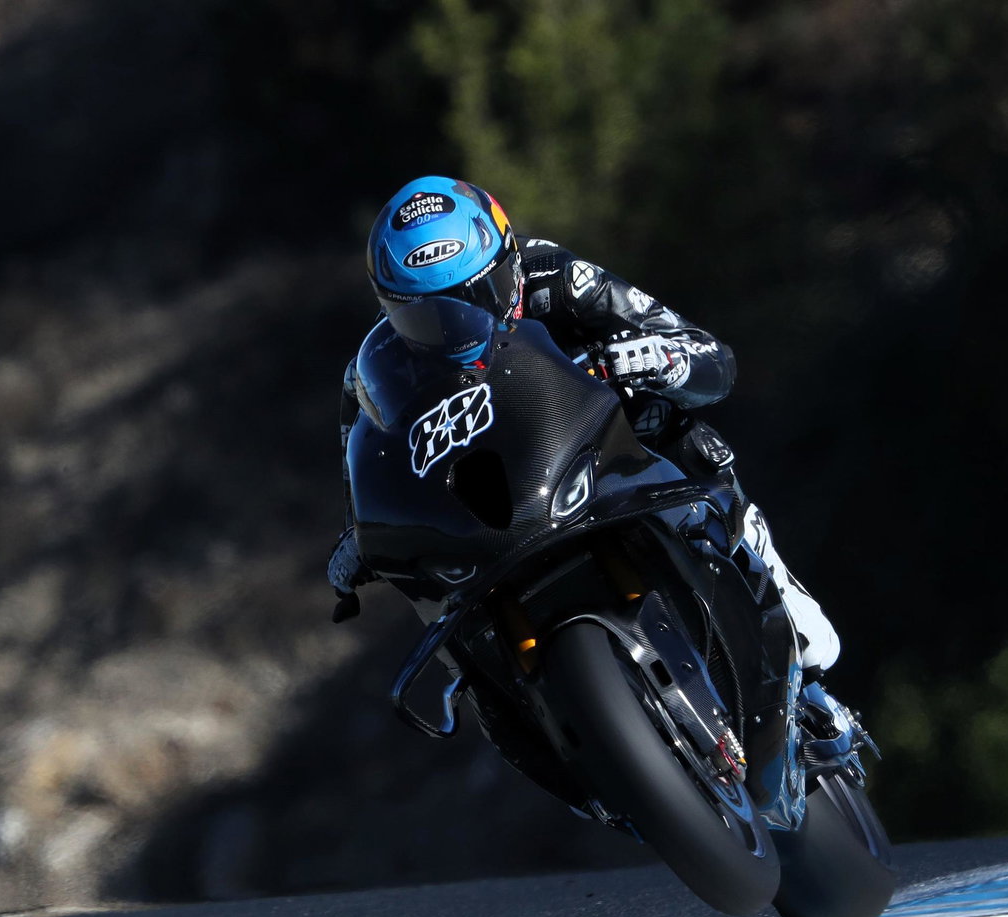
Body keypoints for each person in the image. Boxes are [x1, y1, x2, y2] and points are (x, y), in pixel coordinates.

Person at [328, 175, 863, 757]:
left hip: (604, 458)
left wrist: (661, 357)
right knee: (433, 599)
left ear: (509, 261)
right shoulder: (371, 375)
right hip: (490, 518)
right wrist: (359, 537)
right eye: (428, 318)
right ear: (390, 309)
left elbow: (710, 356)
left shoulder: (559, 278)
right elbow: (367, 473)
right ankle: (518, 718)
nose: (458, 329)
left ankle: (790, 637)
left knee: (677, 431)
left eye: (479, 296)